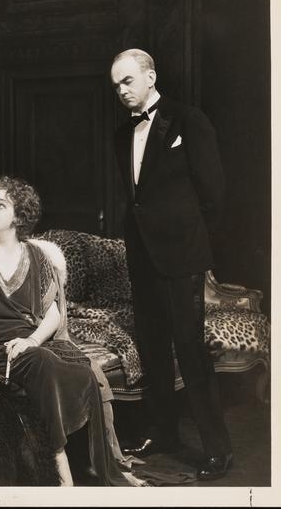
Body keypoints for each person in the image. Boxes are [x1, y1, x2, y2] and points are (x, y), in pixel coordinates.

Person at [0, 177, 140, 486]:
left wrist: (32, 340)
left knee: (83, 373)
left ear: (19, 217)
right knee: (44, 364)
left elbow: (53, 312)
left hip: (30, 345)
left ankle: (66, 460)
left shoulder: (36, 256)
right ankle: (60, 464)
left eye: (1, 205)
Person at [110, 49, 232, 480]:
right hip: (142, 256)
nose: (121, 91)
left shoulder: (188, 120)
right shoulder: (122, 133)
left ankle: (218, 449)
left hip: (183, 256)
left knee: (190, 350)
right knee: (153, 348)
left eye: (127, 81)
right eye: (116, 85)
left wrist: (191, 244)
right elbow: (137, 198)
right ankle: (164, 433)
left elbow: (214, 193)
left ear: (150, 76)